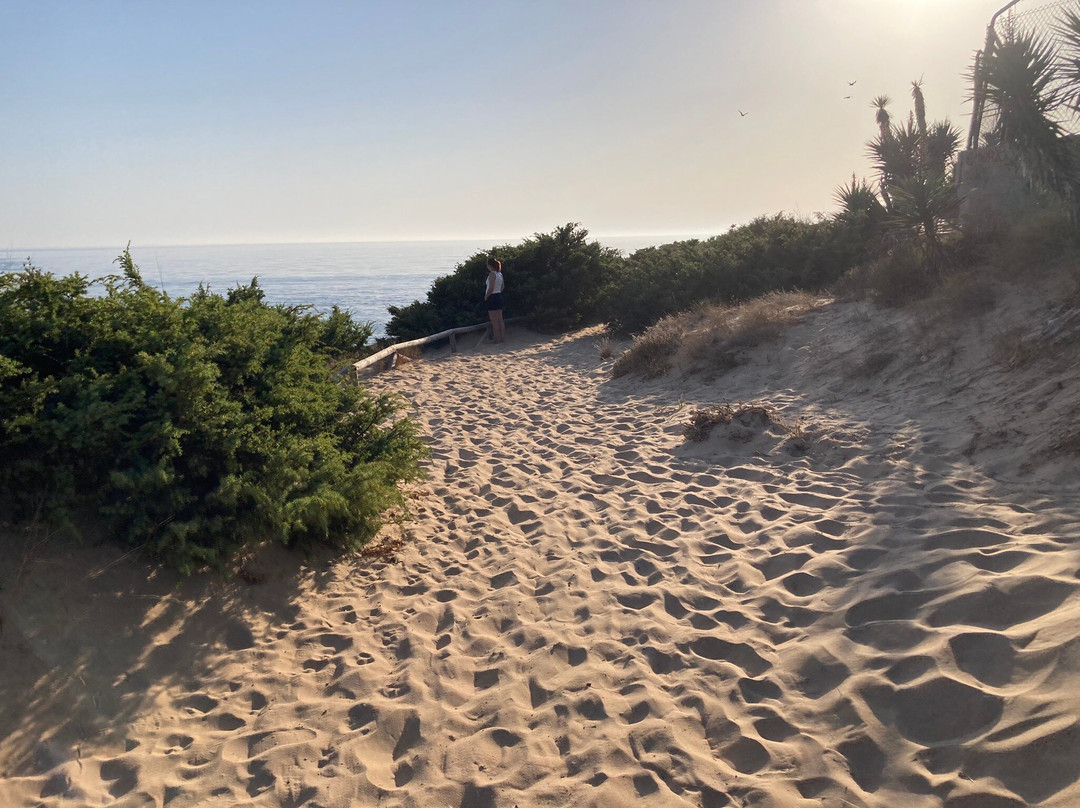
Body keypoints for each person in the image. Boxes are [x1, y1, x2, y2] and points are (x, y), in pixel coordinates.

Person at [484, 256, 506, 343]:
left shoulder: (492, 274)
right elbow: (502, 286)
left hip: (492, 297)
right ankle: (502, 337)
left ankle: (496, 338)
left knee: (494, 320)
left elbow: (491, 287)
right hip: (499, 295)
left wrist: (486, 296)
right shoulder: (500, 274)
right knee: (500, 319)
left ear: (490, 265)